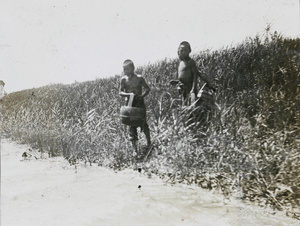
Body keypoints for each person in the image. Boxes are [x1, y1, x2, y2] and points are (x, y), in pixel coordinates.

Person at [119, 59, 151, 151]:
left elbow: (147, 89)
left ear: (133, 68)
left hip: (139, 102)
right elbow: (120, 92)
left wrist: (142, 96)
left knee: (143, 123)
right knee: (131, 125)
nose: (126, 71)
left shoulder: (139, 78)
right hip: (129, 104)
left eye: (128, 69)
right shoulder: (123, 80)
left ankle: (149, 143)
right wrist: (128, 95)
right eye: (124, 69)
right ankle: (134, 149)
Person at [171, 41, 215, 105]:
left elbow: (195, 75)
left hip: (190, 86)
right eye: (181, 50)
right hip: (182, 87)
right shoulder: (181, 63)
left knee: (191, 103)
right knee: (183, 102)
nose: (183, 52)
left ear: (189, 51)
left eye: (185, 50)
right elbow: (183, 77)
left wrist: (193, 88)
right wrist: (176, 81)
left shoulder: (191, 62)